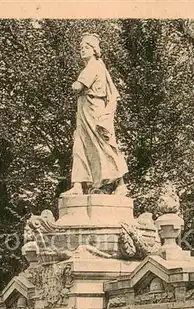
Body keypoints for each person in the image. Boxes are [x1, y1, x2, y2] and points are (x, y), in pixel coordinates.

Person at [68, 33, 128, 195]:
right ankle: (78, 185)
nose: (82, 51)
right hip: (86, 108)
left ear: (94, 50)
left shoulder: (94, 66)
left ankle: (120, 184)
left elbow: (77, 87)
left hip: (94, 109)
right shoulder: (95, 67)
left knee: (103, 145)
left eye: (86, 47)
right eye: (81, 48)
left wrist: (75, 83)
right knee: (81, 144)